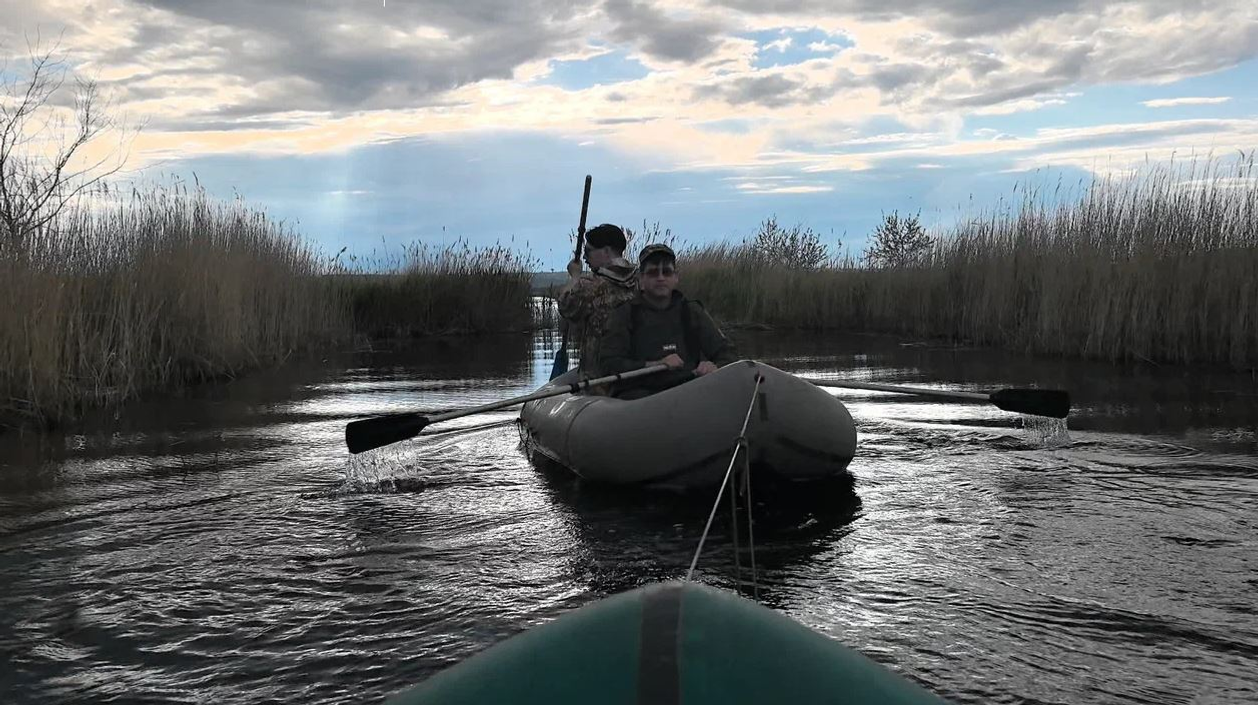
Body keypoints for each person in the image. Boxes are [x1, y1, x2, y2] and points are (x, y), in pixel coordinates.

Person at [598, 243, 738, 398]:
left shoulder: (691, 311)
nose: (660, 278)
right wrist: (655, 365)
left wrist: (714, 366)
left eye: (666, 272)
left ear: (675, 278)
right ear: (641, 280)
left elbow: (727, 353)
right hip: (639, 397)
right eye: (653, 273)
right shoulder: (624, 314)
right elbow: (609, 364)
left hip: (688, 390)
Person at [556, 223, 638, 376]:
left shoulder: (591, 287)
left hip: (598, 378)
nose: (585, 258)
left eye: (588, 251)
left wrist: (575, 277)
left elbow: (566, 306)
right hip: (633, 371)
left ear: (606, 251)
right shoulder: (641, 281)